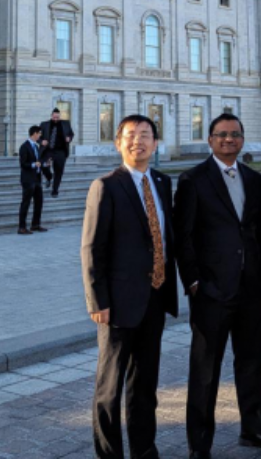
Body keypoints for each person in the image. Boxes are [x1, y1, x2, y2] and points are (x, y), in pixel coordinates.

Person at [174, 113, 261, 458]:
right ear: (210, 140)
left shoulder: (253, 179)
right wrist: (195, 283)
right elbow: (184, 237)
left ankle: (254, 430)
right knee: (205, 371)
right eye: (222, 135)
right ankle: (200, 445)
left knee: (252, 362)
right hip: (212, 291)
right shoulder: (193, 179)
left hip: (252, 289)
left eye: (235, 134)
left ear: (243, 139)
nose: (229, 140)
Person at [82, 114, 178, 459]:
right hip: (118, 303)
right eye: (131, 135)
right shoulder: (106, 186)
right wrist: (97, 301)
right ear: (118, 143)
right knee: (110, 387)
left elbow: (167, 238)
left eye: (146, 135)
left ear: (155, 143)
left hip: (155, 296)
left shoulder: (164, 183)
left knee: (144, 384)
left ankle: (144, 449)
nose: (138, 141)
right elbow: (92, 248)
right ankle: (110, 455)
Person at [18, 125, 47, 234]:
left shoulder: (36, 146)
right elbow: (23, 164)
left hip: (37, 179)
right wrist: (34, 164)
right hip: (28, 179)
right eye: (39, 133)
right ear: (34, 133)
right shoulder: (24, 147)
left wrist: (44, 164)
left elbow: (39, 161)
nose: (40, 135)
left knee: (39, 202)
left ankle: (35, 224)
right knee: (26, 202)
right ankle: (22, 227)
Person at [41, 108, 75, 197]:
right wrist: (41, 141)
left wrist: (69, 138)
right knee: (43, 166)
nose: (56, 119)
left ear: (60, 116)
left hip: (60, 151)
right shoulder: (44, 124)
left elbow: (71, 134)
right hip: (48, 150)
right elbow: (38, 136)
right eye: (54, 117)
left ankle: (55, 190)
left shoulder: (66, 124)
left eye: (57, 118)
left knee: (59, 171)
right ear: (51, 116)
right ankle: (49, 177)